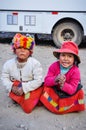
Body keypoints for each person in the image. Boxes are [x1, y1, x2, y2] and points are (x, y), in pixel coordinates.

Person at [1, 33, 43, 113]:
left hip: (30, 87)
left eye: (26, 48)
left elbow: (38, 80)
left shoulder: (35, 64)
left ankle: (24, 99)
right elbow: (4, 78)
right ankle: (20, 98)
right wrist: (11, 87)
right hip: (16, 86)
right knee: (15, 88)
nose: (22, 50)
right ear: (14, 50)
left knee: (28, 107)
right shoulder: (8, 64)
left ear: (30, 52)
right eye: (19, 47)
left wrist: (24, 88)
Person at [40, 41, 85, 114]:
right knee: (44, 88)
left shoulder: (75, 71)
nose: (66, 59)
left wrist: (63, 85)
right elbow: (47, 81)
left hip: (68, 93)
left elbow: (72, 90)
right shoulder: (54, 66)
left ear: (74, 60)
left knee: (80, 93)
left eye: (70, 56)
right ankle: (55, 104)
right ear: (59, 56)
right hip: (55, 90)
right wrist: (55, 79)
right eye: (63, 55)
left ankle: (66, 106)